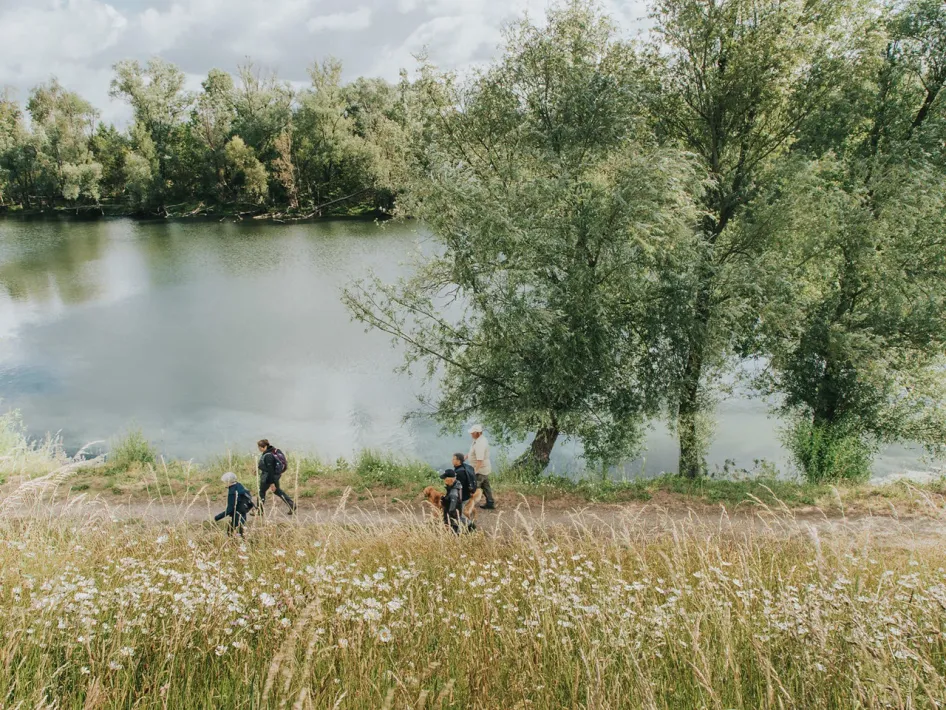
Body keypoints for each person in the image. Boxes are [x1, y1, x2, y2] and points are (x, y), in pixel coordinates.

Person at [257, 439, 297, 515]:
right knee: (277, 491)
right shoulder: (272, 451)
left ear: (264, 446)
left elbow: (270, 470)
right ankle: (291, 504)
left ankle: (259, 510)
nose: (259, 449)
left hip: (268, 477)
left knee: (261, 492)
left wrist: (272, 483)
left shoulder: (268, 455)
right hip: (276, 475)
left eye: (259, 447)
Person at [440, 453, 476, 534]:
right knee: (458, 515)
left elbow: (458, 489)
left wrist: (452, 500)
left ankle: (459, 532)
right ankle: (469, 525)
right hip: (463, 496)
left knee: (457, 515)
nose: (452, 460)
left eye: (453, 459)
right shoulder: (463, 467)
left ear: (459, 461)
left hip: (461, 498)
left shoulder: (459, 473)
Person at [214, 472, 254, 536]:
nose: (225, 483)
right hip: (243, 511)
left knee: (232, 533)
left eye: (225, 482)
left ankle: (236, 543)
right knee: (241, 531)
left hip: (237, 515)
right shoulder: (239, 485)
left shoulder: (232, 492)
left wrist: (217, 517)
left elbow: (230, 509)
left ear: (228, 482)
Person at [467, 424, 495, 510]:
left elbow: (480, 460)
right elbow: (473, 452)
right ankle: (490, 503)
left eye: (472, 433)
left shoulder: (480, 444)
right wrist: (464, 457)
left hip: (480, 469)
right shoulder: (480, 439)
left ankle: (469, 505)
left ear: (477, 433)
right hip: (485, 468)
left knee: (473, 487)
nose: (471, 434)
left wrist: (474, 471)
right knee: (486, 486)